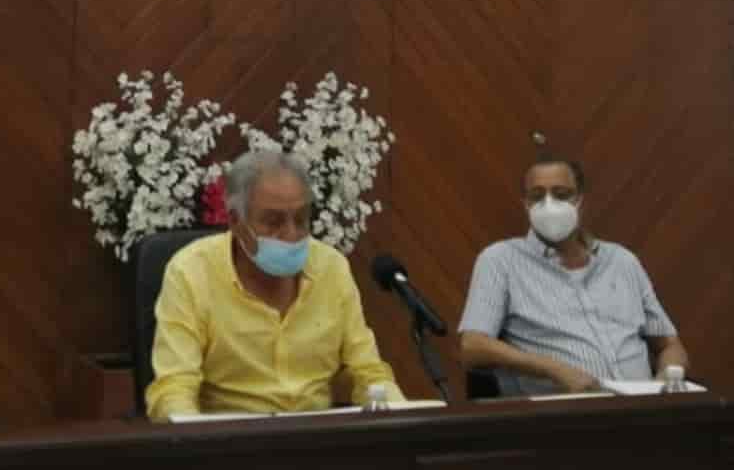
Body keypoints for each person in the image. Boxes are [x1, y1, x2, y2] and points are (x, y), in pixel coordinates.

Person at [145, 148, 400, 420]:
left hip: (318, 436)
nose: (291, 234)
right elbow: (174, 390)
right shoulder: (191, 272)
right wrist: (192, 435)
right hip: (229, 438)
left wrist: (399, 418)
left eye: (300, 219)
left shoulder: (331, 268)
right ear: (236, 221)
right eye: (273, 222)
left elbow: (368, 373)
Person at [457, 155, 689, 394]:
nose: (549, 204)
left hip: (644, 404)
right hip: (565, 410)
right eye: (537, 196)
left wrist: (667, 377)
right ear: (525, 204)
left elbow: (669, 345)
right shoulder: (501, 260)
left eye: (561, 194)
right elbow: (473, 347)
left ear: (579, 200)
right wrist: (554, 369)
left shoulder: (622, 261)